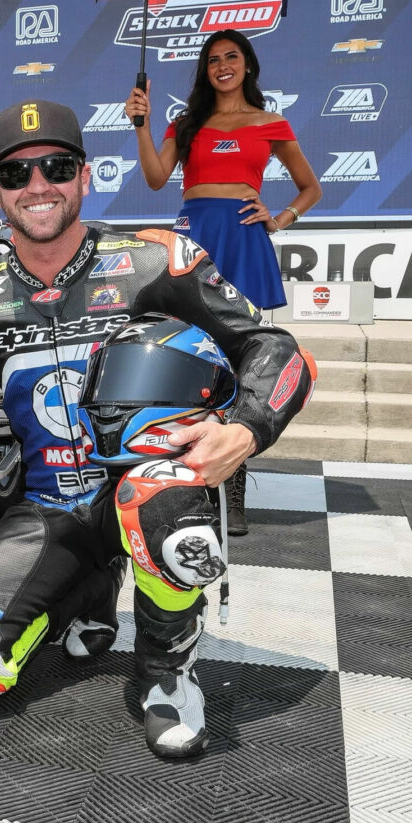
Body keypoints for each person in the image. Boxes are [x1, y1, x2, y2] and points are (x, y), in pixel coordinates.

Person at [0, 99, 313, 759]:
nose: (38, 186)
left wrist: (244, 430)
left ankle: (167, 672)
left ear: (84, 177)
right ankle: (86, 583)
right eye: (16, 174)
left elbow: (280, 352)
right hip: (47, 509)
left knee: (161, 494)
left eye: (56, 167)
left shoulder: (155, 261)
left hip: (143, 488)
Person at [124, 28, 322, 534]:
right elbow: (153, 176)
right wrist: (142, 126)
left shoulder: (270, 122)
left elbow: (310, 187)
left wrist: (279, 219)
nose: (223, 66)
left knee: (246, 356)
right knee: (192, 353)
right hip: (195, 236)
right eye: (213, 60)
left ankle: (233, 484)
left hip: (243, 240)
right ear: (204, 69)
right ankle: (191, 472)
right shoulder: (185, 123)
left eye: (231, 57)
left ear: (248, 65)